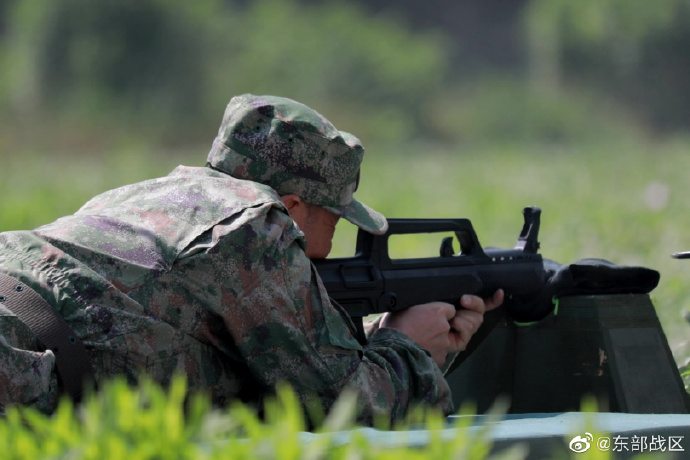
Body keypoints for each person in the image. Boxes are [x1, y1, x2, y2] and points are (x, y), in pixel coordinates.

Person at [0, 94, 503, 423]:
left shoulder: (153, 196)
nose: (323, 250)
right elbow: (346, 412)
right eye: (334, 219)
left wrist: (365, 346)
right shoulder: (256, 225)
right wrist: (407, 346)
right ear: (292, 208)